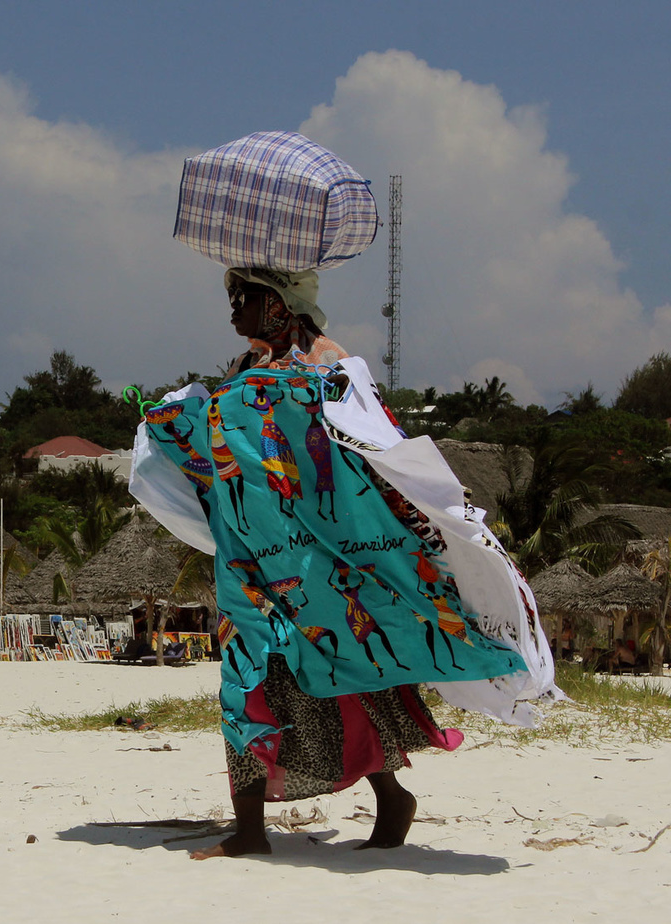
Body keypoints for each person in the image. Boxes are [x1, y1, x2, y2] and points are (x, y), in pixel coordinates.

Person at [131, 265, 553, 859]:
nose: (231, 311)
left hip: (319, 559)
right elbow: (225, 447)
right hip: (250, 556)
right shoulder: (242, 370)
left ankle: (391, 797)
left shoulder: (330, 361)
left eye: (242, 298)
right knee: (243, 678)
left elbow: (370, 446)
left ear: (278, 304)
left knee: (346, 667)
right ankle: (249, 829)